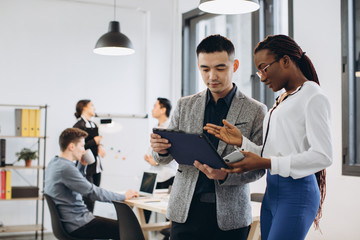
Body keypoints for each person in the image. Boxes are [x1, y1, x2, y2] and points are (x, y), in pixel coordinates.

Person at [204, 34, 333, 240]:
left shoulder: (313, 96)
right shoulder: (283, 98)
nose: (262, 77)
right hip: (272, 192)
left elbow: (323, 156)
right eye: (259, 71)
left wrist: (264, 162)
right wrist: (242, 142)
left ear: (285, 61)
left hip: (297, 193)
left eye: (264, 68)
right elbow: (274, 152)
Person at [150, 34, 267, 240]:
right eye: (205, 69)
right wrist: (159, 150)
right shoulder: (185, 105)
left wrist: (225, 175)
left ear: (235, 65)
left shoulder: (256, 110)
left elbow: (258, 169)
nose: (212, 76)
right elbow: (165, 157)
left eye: (220, 68)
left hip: (230, 217)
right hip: (185, 211)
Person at [44, 128, 138, 239]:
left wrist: (82, 165)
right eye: (82, 146)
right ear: (71, 147)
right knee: (128, 229)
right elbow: (92, 192)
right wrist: (123, 196)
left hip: (71, 221)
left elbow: (77, 184)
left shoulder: (55, 163)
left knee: (120, 227)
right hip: (79, 224)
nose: (84, 150)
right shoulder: (66, 168)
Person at [144, 98, 178, 223]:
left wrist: (157, 161)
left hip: (167, 175)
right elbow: (150, 150)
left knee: (168, 211)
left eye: (155, 106)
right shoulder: (156, 127)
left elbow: (174, 152)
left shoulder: (170, 128)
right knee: (145, 207)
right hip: (153, 175)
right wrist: (148, 157)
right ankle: (142, 233)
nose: (152, 109)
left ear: (163, 109)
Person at [73, 99, 105, 212]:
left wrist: (100, 146)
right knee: (87, 197)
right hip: (85, 166)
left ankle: (90, 219)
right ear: (84, 108)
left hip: (96, 165)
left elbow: (96, 142)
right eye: (92, 105)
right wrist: (94, 142)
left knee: (95, 195)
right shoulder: (78, 125)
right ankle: (86, 222)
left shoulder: (94, 124)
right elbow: (77, 147)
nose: (94, 108)